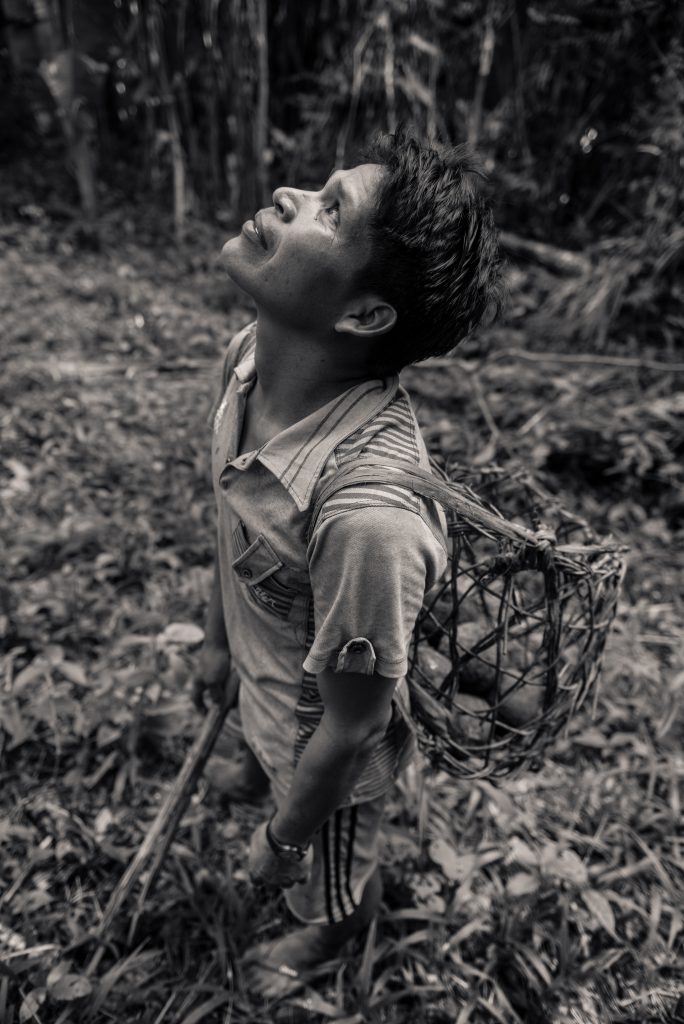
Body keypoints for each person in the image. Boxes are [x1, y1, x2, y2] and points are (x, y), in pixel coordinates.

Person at [194, 126, 503, 999]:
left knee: (329, 856)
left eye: (330, 210)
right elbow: (230, 517)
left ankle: (329, 930)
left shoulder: (370, 518)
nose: (289, 195)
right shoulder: (248, 360)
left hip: (320, 738)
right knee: (271, 716)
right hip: (271, 674)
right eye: (317, 186)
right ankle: (258, 758)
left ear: (364, 316)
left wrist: (283, 838)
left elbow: (355, 727)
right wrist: (219, 644)